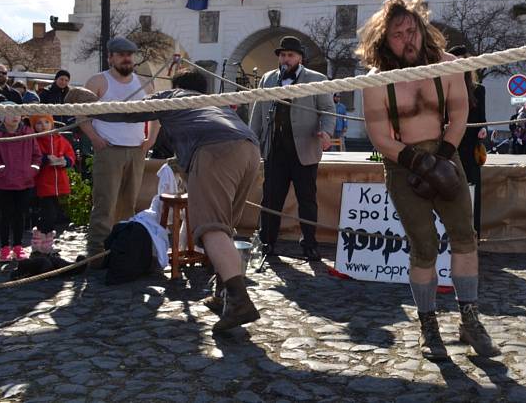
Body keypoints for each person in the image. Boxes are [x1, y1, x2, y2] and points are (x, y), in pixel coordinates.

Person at [359, 0, 499, 360]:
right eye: (398, 34)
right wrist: (416, 163)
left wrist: (443, 158)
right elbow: (380, 138)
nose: (409, 39)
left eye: (412, 30)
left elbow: (459, 114)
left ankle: (469, 319)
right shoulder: (376, 82)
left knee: (465, 238)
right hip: (401, 162)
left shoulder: (449, 66)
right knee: (423, 247)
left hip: (445, 152)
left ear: (422, 28)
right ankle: (428, 327)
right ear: (384, 41)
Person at [72, 69, 262, 332]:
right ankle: (225, 296)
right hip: (249, 149)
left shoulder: (173, 96)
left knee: (211, 227)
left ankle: (240, 302)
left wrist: (90, 108)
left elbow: (129, 113)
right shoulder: (213, 104)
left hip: (215, 149)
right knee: (225, 225)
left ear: (177, 86)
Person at [249, 36, 334, 262]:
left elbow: (327, 109)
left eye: (291, 55)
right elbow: (257, 112)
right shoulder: (268, 79)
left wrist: (326, 132)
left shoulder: (316, 79)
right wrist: (252, 139)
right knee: (270, 199)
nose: (286, 59)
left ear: (300, 58)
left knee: (307, 199)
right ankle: (267, 242)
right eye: (283, 55)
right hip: (275, 149)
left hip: (304, 148)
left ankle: (309, 244)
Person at [78, 37, 159, 260]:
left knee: (128, 204)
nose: (126, 58)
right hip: (109, 149)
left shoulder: (144, 83)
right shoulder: (97, 81)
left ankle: (121, 250)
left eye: (129, 55)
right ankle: (97, 256)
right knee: (105, 204)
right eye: (121, 54)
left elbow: (156, 114)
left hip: (136, 150)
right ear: (111, 57)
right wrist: (95, 138)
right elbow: (80, 114)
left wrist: (150, 139)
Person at [449, 45, 487, 237]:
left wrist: (483, 130)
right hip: (448, 145)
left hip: (470, 146)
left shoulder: (478, 90)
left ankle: (474, 234)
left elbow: (483, 120)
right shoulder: (444, 88)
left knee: (473, 188)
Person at [0, 101, 41, 261]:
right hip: (3, 183)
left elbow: (37, 155)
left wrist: (33, 170)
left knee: (20, 215)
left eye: (17, 113)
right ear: (2, 116)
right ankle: (4, 247)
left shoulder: (28, 132)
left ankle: (18, 246)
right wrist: (1, 170)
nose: (15, 117)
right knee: (4, 216)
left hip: (25, 181)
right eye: (10, 113)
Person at [30, 114, 75, 234]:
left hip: (58, 182)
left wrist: (65, 161)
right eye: (39, 123)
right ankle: (44, 237)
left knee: (54, 212)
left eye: (46, 122)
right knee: (47, 213)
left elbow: (70, 154)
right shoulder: (34, 140)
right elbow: (31, 156)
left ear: (52, 124)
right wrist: (45, 159)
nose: (43, 125)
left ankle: (44, 238)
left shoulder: (60, 139)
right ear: (34, 126)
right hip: (43, 182)